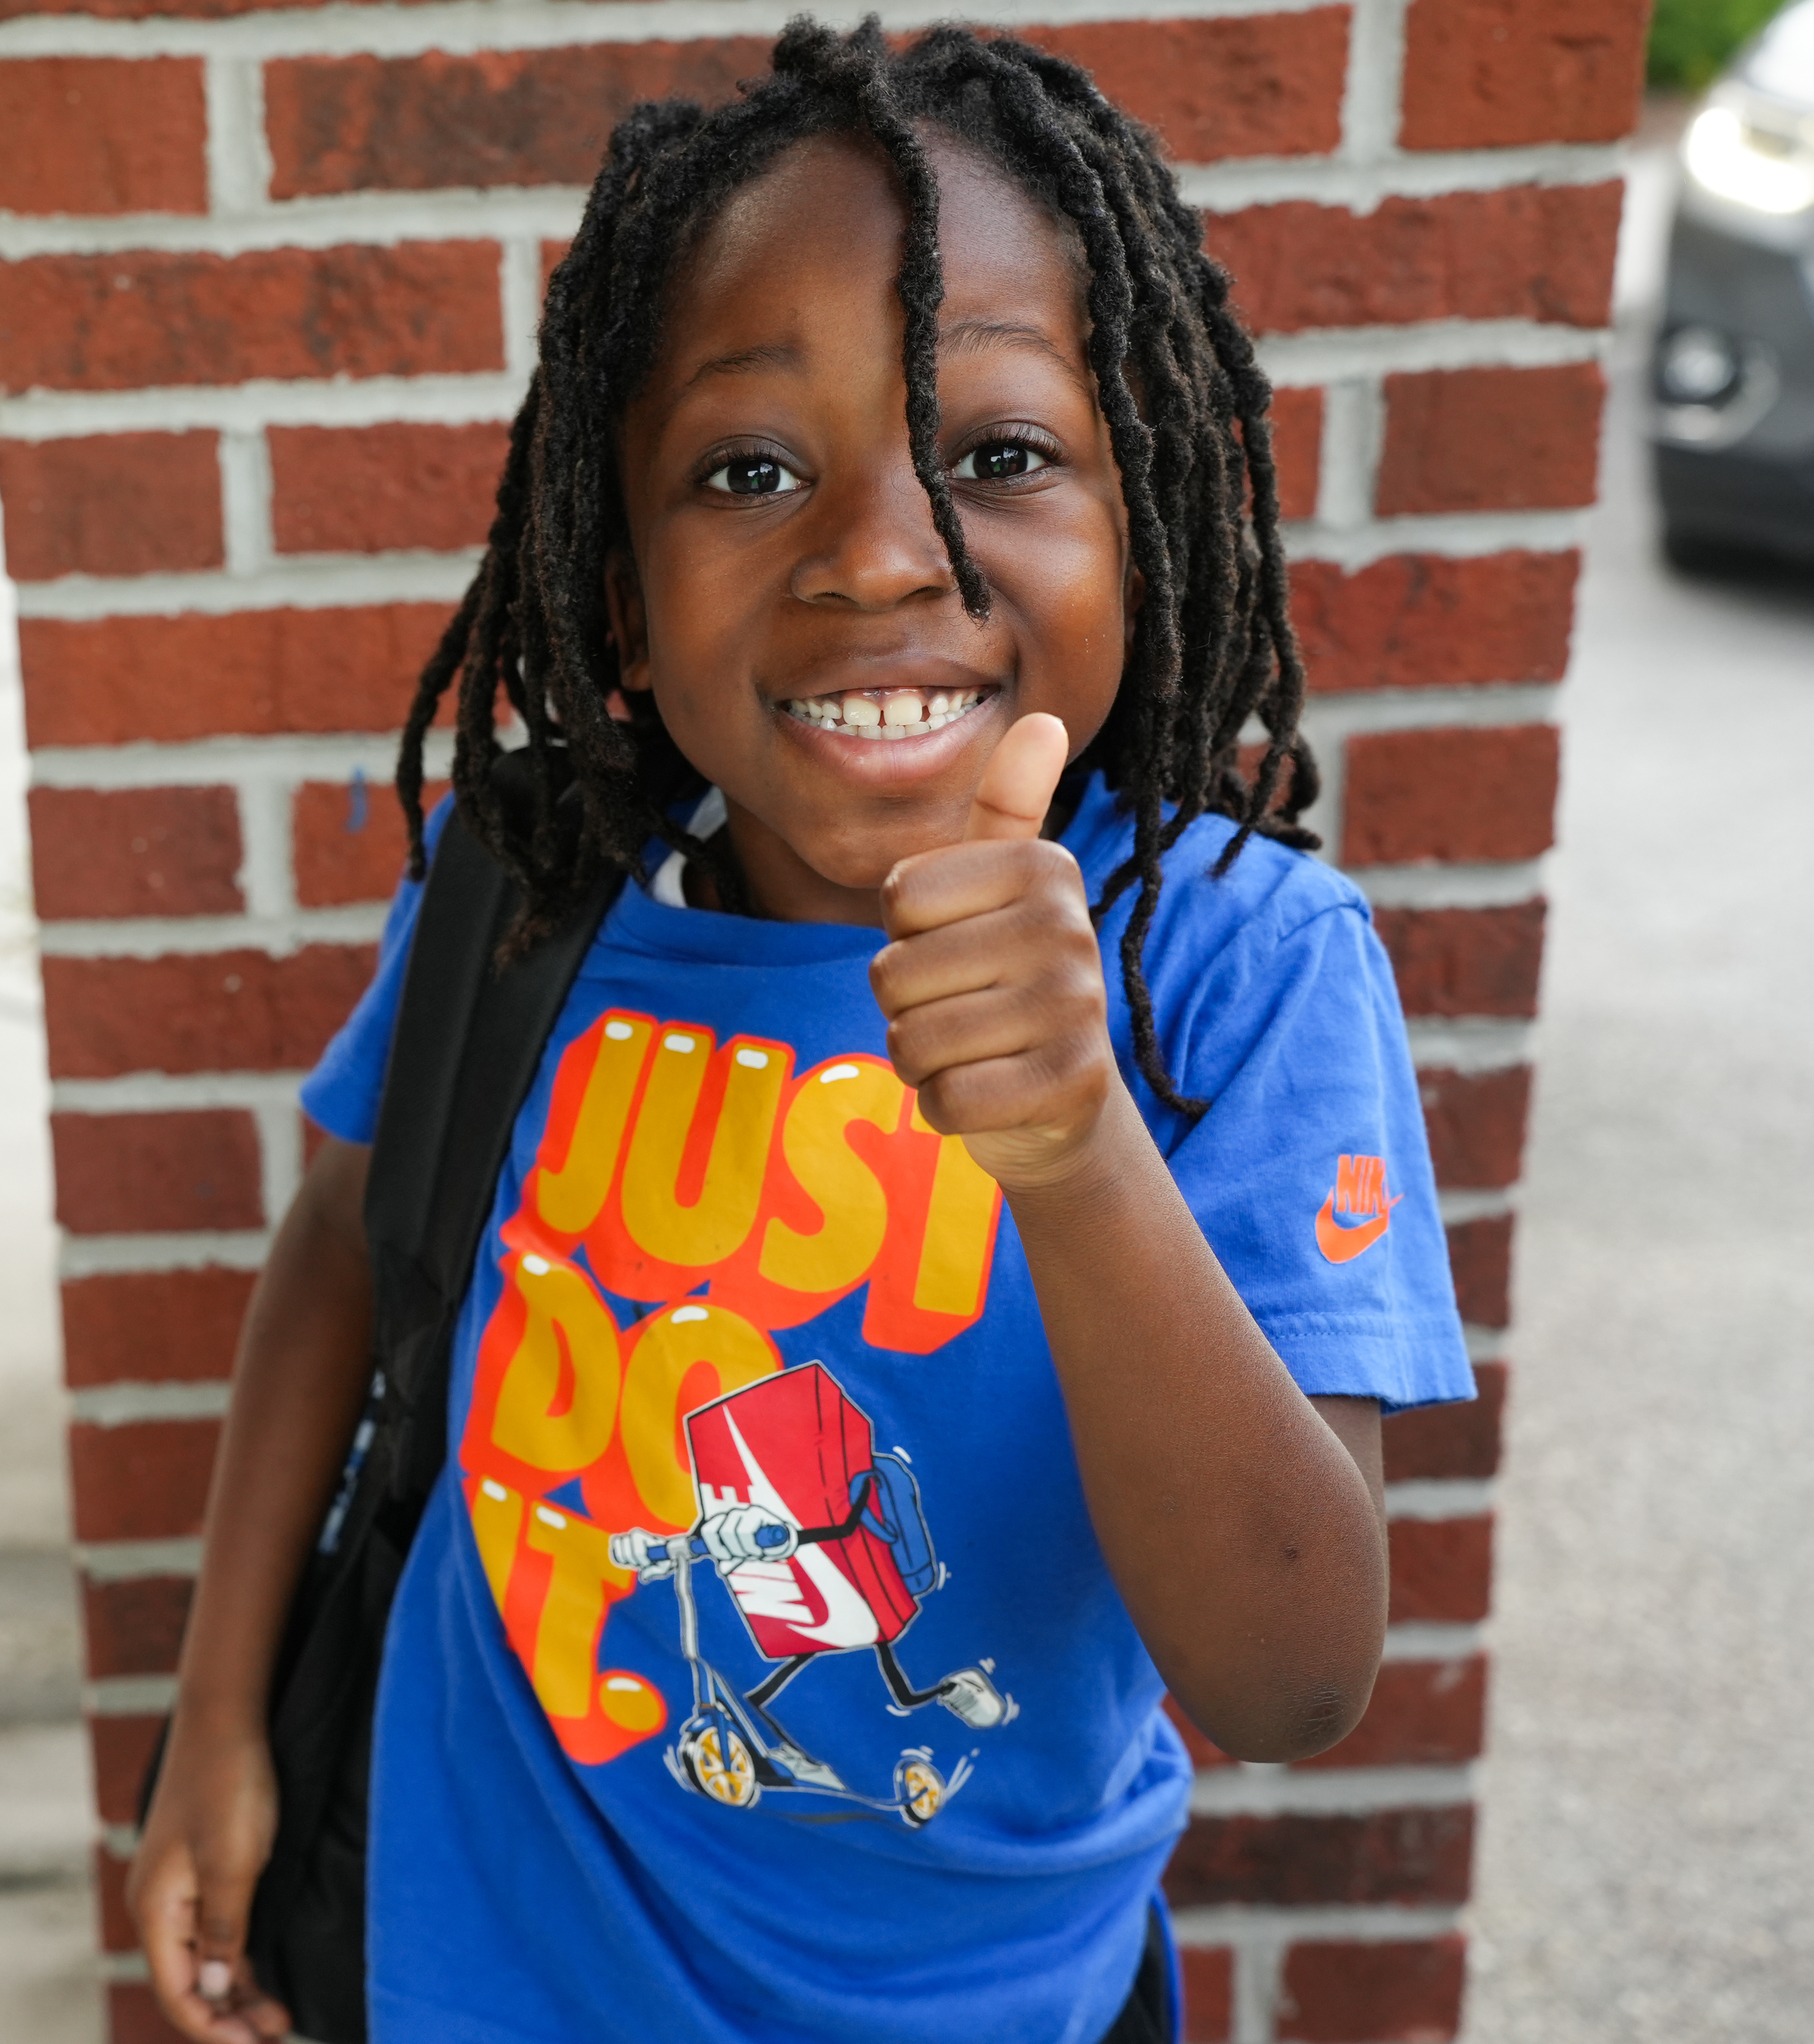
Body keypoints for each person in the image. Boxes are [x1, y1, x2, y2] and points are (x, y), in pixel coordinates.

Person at [130, 21, 1475, 2044]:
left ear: (1148, 503)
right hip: (475, 1950)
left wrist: (1077, 1144)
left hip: (973, 2004)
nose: (878, 551)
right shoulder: (535, 883)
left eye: (1003, 455)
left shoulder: (1228, 968)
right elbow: (342, 1242)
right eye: (752, 471)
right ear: (617, 591)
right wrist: (212, 1723)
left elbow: (1294, 1677)